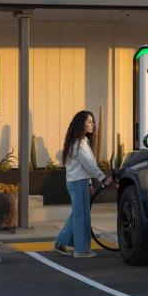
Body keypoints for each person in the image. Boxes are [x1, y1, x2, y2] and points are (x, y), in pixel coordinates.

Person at [53, 110, 113, 258]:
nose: (93, 124)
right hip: (78, 183)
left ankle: (60, 242)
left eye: (93, 122)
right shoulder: (78, 145)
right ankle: (81, 250)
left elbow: (85, 166)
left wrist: (90, 182)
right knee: (82, 218)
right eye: (89, 122)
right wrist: (103, 179)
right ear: (81, 124)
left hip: (80, 182)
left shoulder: (82, 142)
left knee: (77, 215)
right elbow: (89, 166)